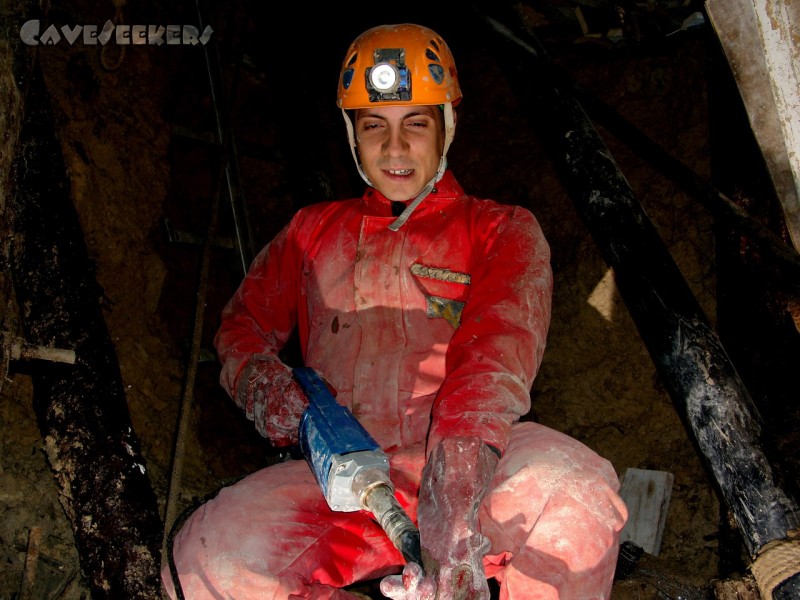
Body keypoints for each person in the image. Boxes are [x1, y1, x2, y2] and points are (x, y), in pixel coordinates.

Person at [162, 23, 627, 599]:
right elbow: (241, 328)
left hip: (471, 462)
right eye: (373, 126)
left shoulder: (500, 230)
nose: (395, 148)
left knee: (575, 494)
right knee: (206, 559)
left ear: (447, 128)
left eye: (416, 124)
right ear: (351, 135)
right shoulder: (311, 233)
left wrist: (454, 495)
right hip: (342, 477)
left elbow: (495, 358)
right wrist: (261, 380)